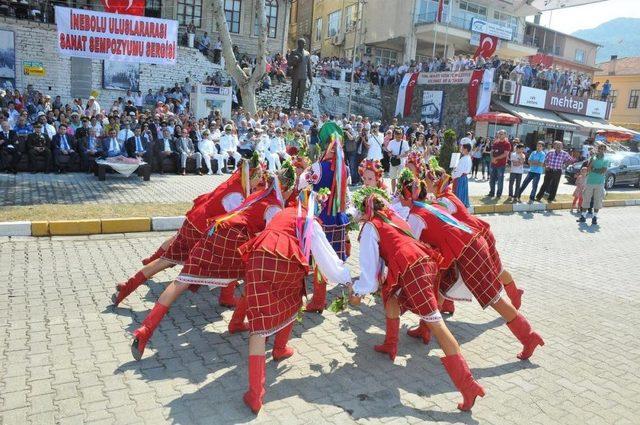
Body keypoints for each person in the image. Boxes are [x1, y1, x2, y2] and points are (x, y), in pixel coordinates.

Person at [129, 167, 295, 361]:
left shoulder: (258, 195)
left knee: (180, 282)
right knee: (257, 280)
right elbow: (269, 239)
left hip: (214, 232)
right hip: (232, 241)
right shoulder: (274, 207)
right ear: (286, 189)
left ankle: (145, 330)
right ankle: (251, 329)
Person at [349, 187, 485, 412]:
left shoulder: (371, 227)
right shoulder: (393, 216)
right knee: (390, 294)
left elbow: (370, 272)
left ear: (365, 212)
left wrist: (357, 292)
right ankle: (391, 344)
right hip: (425, 262)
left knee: (438, 325)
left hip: (413, 269)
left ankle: (468, 384)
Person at [398, 172, 544, 363]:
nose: (397, 197)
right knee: (442, 287)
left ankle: (529, 336)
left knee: (493, 298)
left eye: (399, 194)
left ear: (408, 197)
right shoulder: (429, 206)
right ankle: (425, 328)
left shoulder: (417, 216)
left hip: (468, 251)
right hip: (464, 248)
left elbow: (413, 248)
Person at [239, 192, 352, 414]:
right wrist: (348, 280)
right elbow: (326, 260)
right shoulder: (311, 221)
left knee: (258, 327)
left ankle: (255, 394)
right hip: (286, 261)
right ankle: (279, 349)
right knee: (292, 300)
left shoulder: (283, 213)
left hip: (258, 258)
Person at [113, 155, 265, 309]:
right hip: (201, 230)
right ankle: (226, 297)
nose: (260, 180)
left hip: (192, 222)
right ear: (250, 175)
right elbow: (233, 223)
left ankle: (128, 286)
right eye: (259, 176)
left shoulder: (234, 183)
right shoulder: (237, 194)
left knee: (165, 260)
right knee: (233, 257)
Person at [303, 124, 351, 313]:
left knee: (318, 259)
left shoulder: (318, 167)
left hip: (320, 218)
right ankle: (322, 296)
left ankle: (318, 300)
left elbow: (302, 184)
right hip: (337, 217)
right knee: (328, 256)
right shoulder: (344, 168)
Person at [578, 142, 609, 225]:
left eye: (603, 149)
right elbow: (588, 169)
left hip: (600, 183)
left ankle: (594, 218)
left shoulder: (606, 159)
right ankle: (583, 217)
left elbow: (603, 171)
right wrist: (594, 167)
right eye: (600, 149)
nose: (602, 150)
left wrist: (594, 169)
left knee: (597, 201)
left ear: (605, 150)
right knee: (586, 199)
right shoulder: (593, 158)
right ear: (598, 149)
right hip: (590, 182)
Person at [488, 130, 511, 198]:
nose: (500, 135)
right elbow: (491, 152)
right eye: (499, 134)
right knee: (491, 179)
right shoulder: (496, 142)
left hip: (501, 165)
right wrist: (492, 158)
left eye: (501, 134)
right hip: (493, 164)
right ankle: (491, 193)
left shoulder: (507, 144)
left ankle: (498, 194)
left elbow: (505, 154)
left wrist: (496, 159)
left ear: (505, 135)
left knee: (500, 180)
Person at [386, 127, 410, 193]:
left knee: (400, 178)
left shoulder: (404, 142)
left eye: (399, 137)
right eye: (397, 137)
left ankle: (399, 192)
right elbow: (388, 152)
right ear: (394, 135)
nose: (398, 138)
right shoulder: (391, 142)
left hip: (401, 163)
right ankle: (393, 192)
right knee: (393, 178)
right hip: (393, 162)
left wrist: (400, 156)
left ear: (402, 135)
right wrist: (390, 154)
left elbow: (407, 153)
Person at [452, 143, 471, 208]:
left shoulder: (464, 159)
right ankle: (463, 205)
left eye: (462, 148)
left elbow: (459, 171)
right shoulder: (468, 157)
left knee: (459, 193)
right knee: (463, 193)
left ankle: (459, 206)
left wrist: (453, 175)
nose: (461, 149)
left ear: (465, 149)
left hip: (460, 178)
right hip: (464, 177)